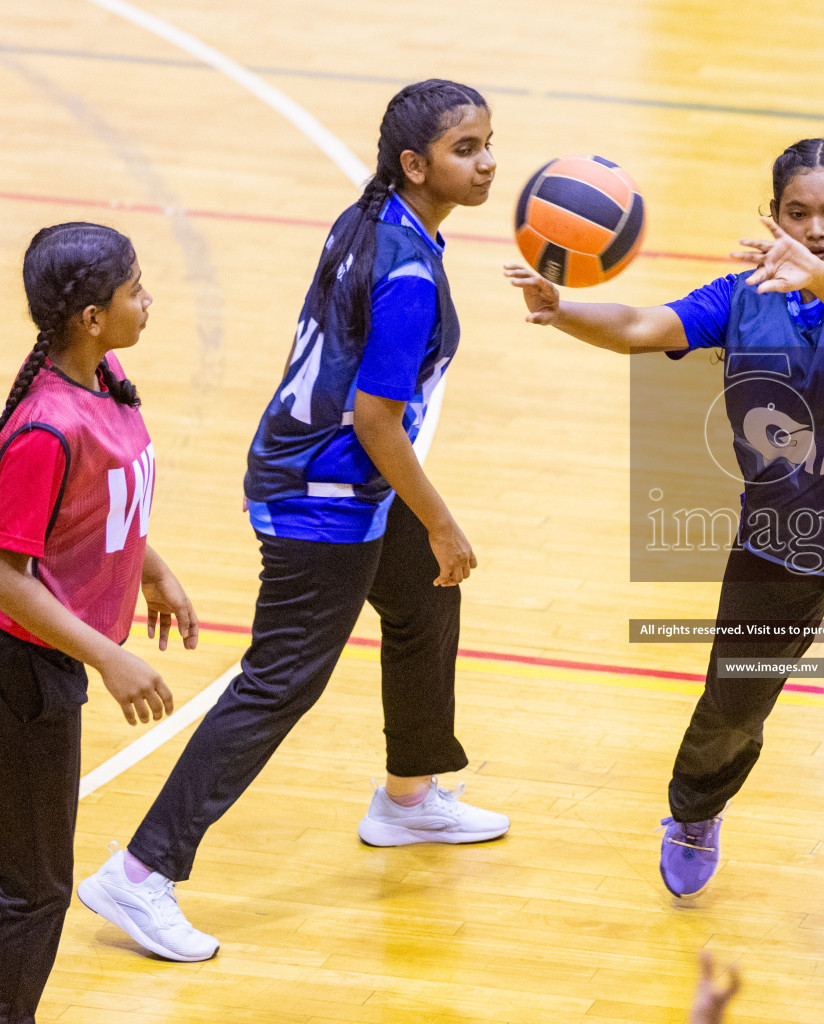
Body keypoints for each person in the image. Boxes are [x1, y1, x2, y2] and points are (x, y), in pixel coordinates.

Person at [507, 137, 824, 995]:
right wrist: (561, 305)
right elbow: (642, 326)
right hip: (776, 545)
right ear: (772, 215)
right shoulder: (741, 299)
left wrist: (818, 276)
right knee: (732, 707)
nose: (816, 229)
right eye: (798, 214)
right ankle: (696, 808)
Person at [78, 79, 508, 962]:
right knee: (281, 681)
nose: (489, 161)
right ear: (414, 165)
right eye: (467, 149)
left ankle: (410, 797)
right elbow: (374, 419)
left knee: (427, 602)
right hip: (326, 490)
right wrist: (442, 520)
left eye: (488, 142)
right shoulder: (410, 271)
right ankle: (139, 873)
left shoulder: (372, 218)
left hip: (328, 470)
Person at [0, 223, 198, 1023]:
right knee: (37, 888)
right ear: (89, 315)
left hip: (46, 666)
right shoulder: (45, 428)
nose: (147, 303)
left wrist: (151, 568)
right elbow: (6, 577)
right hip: (23, 675)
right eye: (134, 291)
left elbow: (97, 500)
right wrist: (106, 659)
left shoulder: (105, 376)